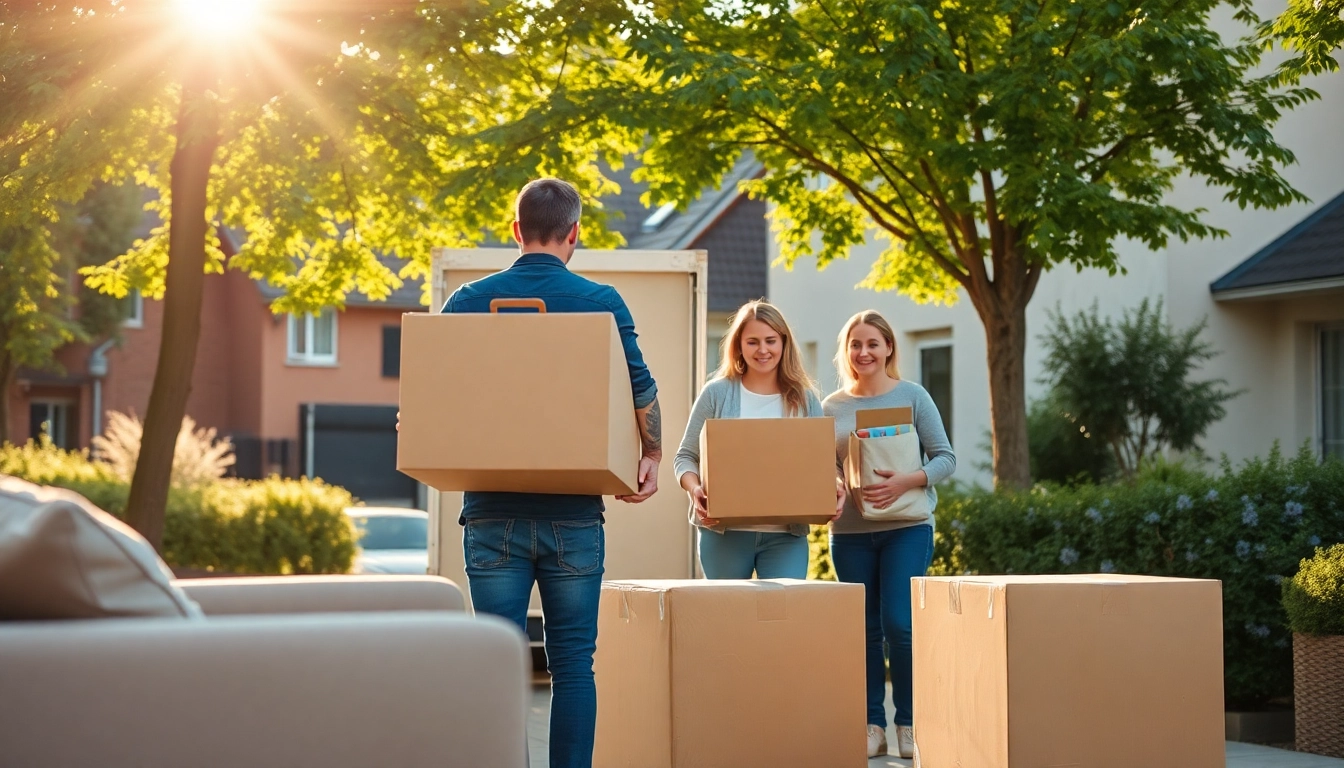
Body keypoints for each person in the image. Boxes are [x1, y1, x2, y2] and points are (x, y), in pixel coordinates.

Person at [437, 178, 662, 768]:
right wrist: (652, 456)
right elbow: (642, 390)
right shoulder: (601, 302)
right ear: (574, 233)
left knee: (498, 661)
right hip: (574, 516)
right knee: (572, 663)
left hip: (491, 512)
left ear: (515, 231)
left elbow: (433, 398)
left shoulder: (465, 303)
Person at [823, 310, 955, 760]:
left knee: (900, 625)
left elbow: (945, 458)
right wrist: (835, 484)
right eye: (856, 344)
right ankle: (871, 725)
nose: (864, 352)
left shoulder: (914, 396)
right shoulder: (832, 408)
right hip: (851, 532)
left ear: (889, 348)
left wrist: (906, 480)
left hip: (907, 528)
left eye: (873, 344)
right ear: (847, 351)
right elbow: (825, 468)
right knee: (864, 629)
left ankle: (908, 723)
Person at [673, 300, 843, 579]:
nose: (762, 350)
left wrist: (835, 487)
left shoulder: (803, 398)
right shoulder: (717, 393)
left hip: (785, 538)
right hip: (725, 536)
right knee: (728, 619)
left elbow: (822, 463)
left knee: (782, 619)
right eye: (752, 341)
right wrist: (694, 490)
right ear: (739, 345)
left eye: (770, 340)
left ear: (784, 343)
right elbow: (685, 458)